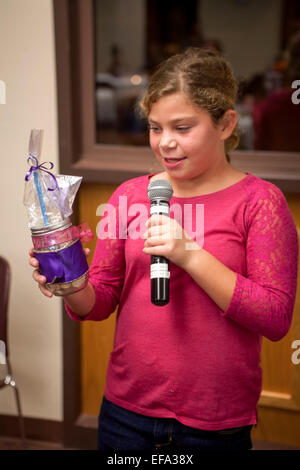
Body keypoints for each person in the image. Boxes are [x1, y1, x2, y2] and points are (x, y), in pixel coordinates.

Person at [29, 48, 298, 452]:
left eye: (183, 127)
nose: (166, 143)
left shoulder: (260, 202)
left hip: (213, 421)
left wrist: (191, 255)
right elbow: (100, 300)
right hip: (127, 412)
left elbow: (275, 318)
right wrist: (71, 284)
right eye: (156, 128)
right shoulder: (129, 196)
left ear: (225, 124)